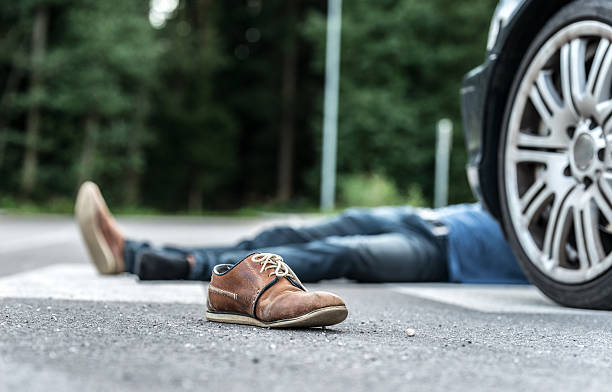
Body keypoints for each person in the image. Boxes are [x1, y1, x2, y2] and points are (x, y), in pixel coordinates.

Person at [75, 181, 528, 286]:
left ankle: (176, 265)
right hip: (423, 217)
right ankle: (133, 252)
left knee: (340, 253)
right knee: (289, 231)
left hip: (444, 256)